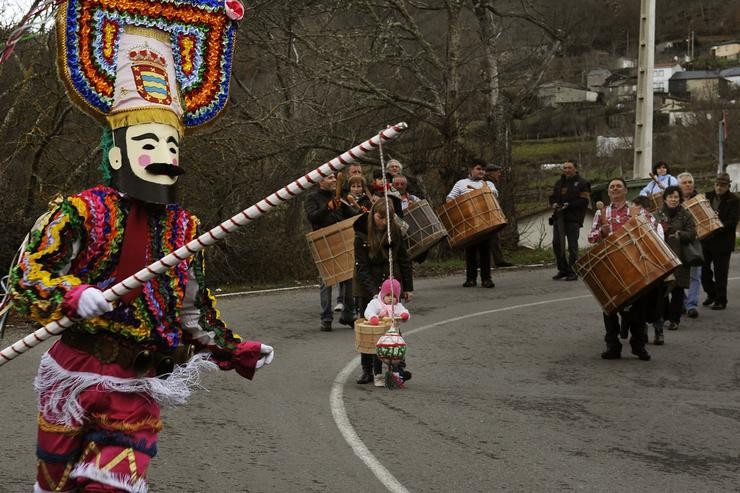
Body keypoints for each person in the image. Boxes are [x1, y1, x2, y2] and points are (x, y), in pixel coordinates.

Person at [9, 12, 274, 492]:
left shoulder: (185, 228)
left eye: (172, 145)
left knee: (110, 487)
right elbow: (27, 280)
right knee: (56, 486)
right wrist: (74, 295)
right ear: (117, 154)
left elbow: (191, 307)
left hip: (138, 385)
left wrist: (235, 350)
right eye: (150, 143)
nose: (167, 155)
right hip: (73, 375)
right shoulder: (78, 213)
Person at [588, 178, 652, 361]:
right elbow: (591, 237)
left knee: (637, 305)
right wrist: (602, 232)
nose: (615, 189)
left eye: (618, 186)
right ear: (608, 193)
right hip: (610, 263)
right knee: (609, 305)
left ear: (625, 191)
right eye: (611, 187)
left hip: (633, 262)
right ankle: (612, 345)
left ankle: (638, 344)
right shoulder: (602, 213)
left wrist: (634, 221)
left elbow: (650, 228)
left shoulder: (636, 210)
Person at [353, 200, 414, 386]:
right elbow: (361, 267)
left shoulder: (395, 231)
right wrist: (374, 293)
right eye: (380, 218)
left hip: (391, 283)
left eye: (387, 218)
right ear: (373, 215)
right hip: (367, 285)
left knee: (392, 326)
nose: (383, 222)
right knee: (369, 329)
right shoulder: (361, 235)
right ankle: (367, 369)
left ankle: (398, 367)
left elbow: (404, 258)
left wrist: (407, 287)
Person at [305, 173, 357, 330]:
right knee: (326, 281)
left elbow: (352, 215)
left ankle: (348, 315)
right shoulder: (312, 198)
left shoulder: (338, 197)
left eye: (334, 177)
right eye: (329, 178)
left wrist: (362, 211)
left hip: (342, 240)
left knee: (348, 277)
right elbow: (313, 217)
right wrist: (327, 208)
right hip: (324, 242)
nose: (334, 180)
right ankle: (326, 317)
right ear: (320, 181)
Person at [447, 159, 498, 288]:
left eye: (483, 170)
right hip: (468, 221)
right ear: (471, 169)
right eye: (478, 169)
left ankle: (486, 279)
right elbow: (450, 198)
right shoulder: (461, 183)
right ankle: (471, 279)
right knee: (470, 251)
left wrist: (483, 191)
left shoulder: (488, 184)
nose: (481, 172)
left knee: (485, 251)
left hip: (485, 221)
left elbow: (494, 195)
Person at [656, 186, 696, 337]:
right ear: (665, 198)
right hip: (662, 257)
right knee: (662, 288)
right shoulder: (658, 214)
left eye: (676, 197)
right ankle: (664, 316)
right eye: (670, 197)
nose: (673, 200)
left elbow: (692, 233)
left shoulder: (685, 214)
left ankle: (675, 320)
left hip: (680, 257)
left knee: (678, 289)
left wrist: (680, 234)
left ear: (680, 199)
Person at [700, 172, 740, 310]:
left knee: (720, 273)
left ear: (728, 186)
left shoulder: (734, 200)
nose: (719, 187)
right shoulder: (707, 196)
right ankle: (711, 294)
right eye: (717, 184)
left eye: (722, 185)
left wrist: (717, 226)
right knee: (703, 272)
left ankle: (721, 300)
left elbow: (732, 221)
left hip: (723, 242)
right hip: (706, 241)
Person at [549, 160, 591, 281]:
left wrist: (570, 205)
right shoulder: (559, 183)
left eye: (569, 167)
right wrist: (554, 203)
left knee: (572, 246)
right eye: (565, 168)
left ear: (575, 169)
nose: (567, 170)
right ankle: (563, 269)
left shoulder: (583, 183)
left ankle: (573, 271)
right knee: (557, 244)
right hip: (559, 218)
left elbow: (584, 201)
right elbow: (552, 197)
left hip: (573, 219)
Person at [677, 171, 701, 318]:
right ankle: (683, 302)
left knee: (695, 275)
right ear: (678, 186)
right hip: (678, 242)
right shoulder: (672, 199)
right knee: (678, 275)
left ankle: (692, 305)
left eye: (690, 182)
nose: (687, 185)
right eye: (684, 183)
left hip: (695, 242)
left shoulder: (700, 200)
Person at [485, 163, 513, 268]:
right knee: (491, 237)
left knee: (494, 237)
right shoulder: (487, 182)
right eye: (497, 172)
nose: (499, 174)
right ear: (491, 173)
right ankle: (496, 261)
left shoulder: (490, 182)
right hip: (488, 214)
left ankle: (498, 260)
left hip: (490, 213)